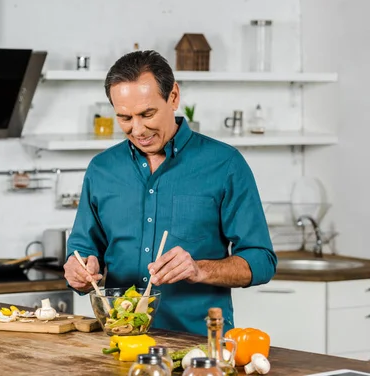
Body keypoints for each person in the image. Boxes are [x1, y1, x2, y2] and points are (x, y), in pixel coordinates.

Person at [64, 50, 277, 335]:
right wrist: (78, 269)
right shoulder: (101, 169)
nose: (137, 129)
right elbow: (83, 249)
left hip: (199, 344)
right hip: (119, 339)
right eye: (125, 117)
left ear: (173, 97)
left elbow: (261, 260)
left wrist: (199, 269)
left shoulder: (225, 164)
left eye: (147, 114)